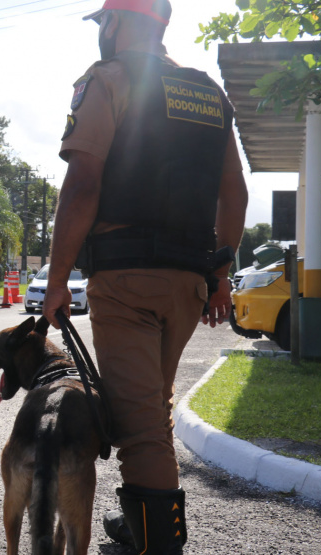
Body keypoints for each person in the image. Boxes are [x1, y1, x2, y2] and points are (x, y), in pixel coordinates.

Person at [41, 1, 248, 553]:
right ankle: (140, 523)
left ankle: (160, 544)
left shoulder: (107, 80)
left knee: (138, 428)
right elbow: (235, 192)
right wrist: (221, 273)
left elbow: (83, 183)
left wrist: (57, 278)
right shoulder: (207, 92)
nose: (101, 33)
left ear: (118, 23)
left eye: (103, 22)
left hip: (128, 278)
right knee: (150, 406)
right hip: (189, 282)